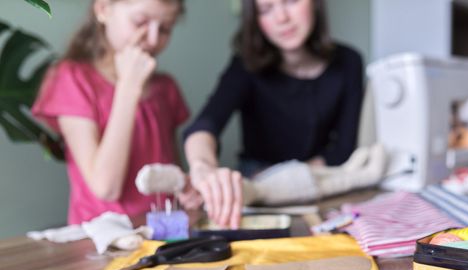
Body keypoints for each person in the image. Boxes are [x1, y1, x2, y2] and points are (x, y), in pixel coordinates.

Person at [184, 0, 364, 228]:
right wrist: (202, 167)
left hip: (319, 176)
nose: (281, 18)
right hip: (258, 181)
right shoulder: (244, 66)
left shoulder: (349, 62)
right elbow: (205, 124)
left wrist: (293, 177)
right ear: (255, 19)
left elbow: (344, 148)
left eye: (290, 1)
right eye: (266, 9)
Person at [32, 0, 200, 225]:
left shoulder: (166, 88)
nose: (152, 39)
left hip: (163, 237)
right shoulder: (71, 79)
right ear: (103, 9)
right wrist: (128, 89)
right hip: (102, 241)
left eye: (165, 29)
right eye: (140, 22)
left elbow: (171, 177)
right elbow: (106, 188)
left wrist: (187, 189)